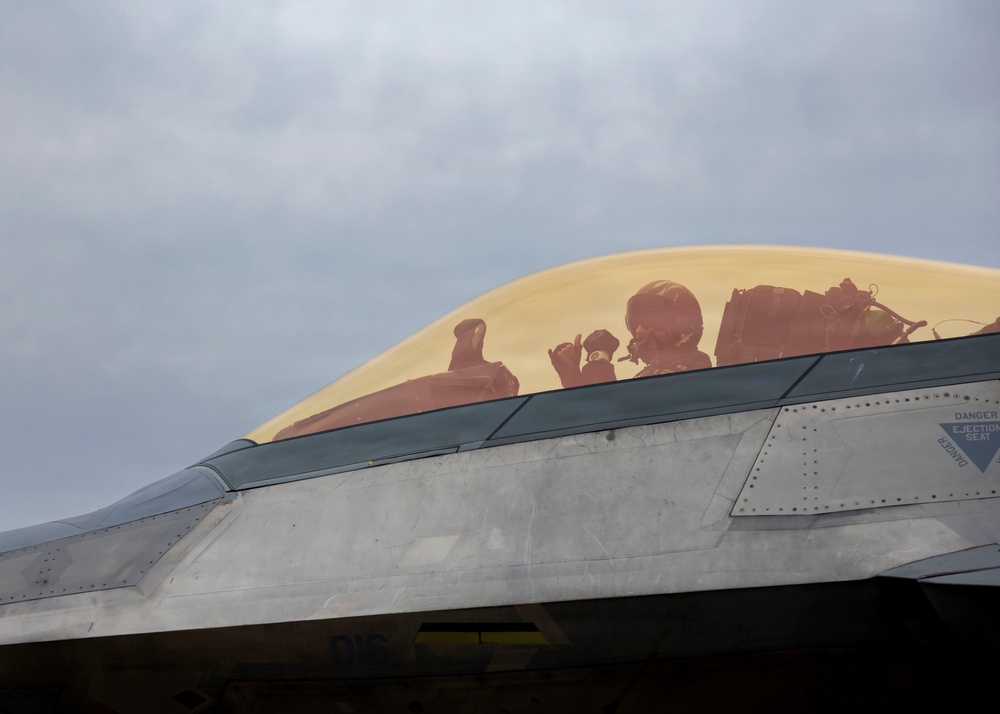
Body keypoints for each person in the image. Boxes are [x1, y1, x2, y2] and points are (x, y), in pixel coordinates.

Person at [548, 280, 712, 388]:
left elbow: (611, 418)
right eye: (635, 325)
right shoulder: (656, 373)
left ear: (682, 326)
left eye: (650, 321)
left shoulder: (691, 371)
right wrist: (574, 383)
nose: (639, 331)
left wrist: (599, 364)